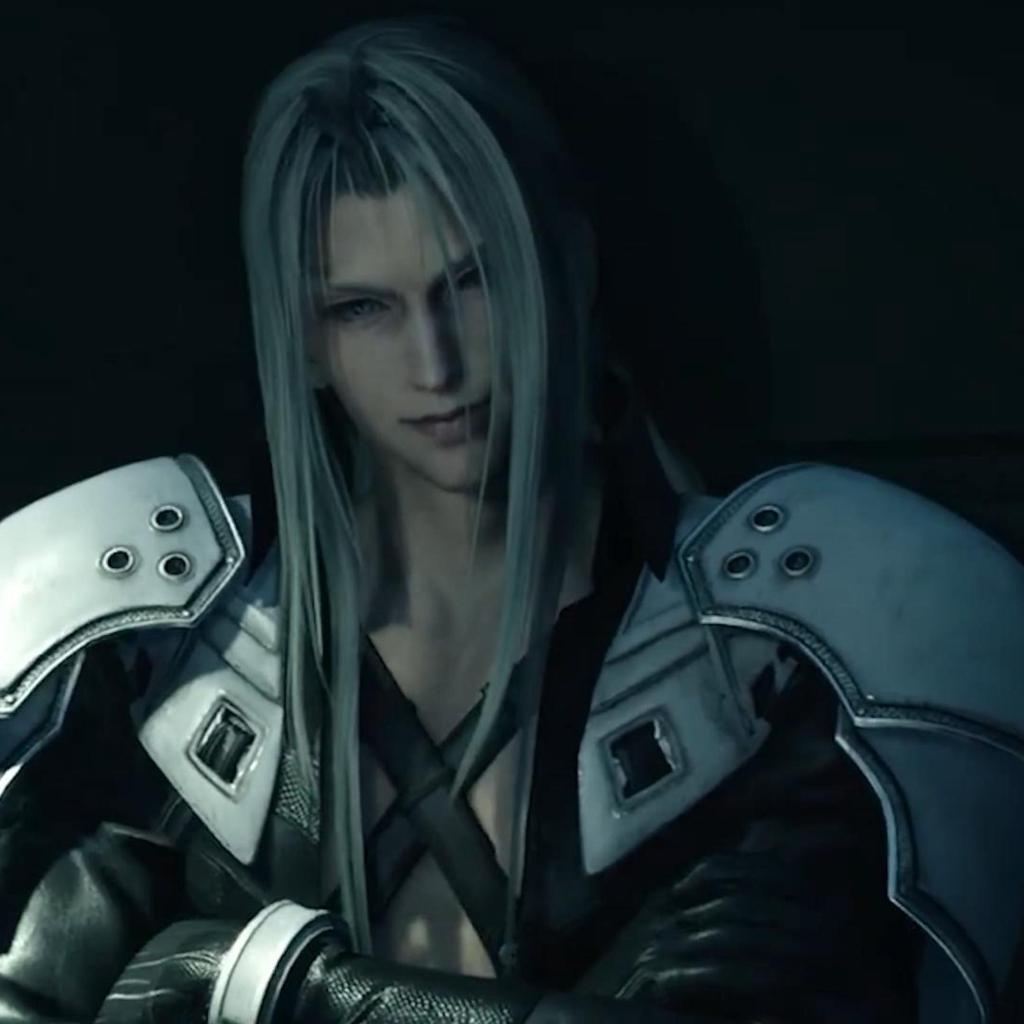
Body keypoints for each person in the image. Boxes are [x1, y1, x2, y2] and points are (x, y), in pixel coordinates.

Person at [1, 14, 1022, 1024]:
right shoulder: (148, 659)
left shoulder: (775, 657)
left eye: (473, 282)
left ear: (567, 264)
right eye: (364, 308)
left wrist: (265, 982)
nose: (436, 364)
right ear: (303, 336)